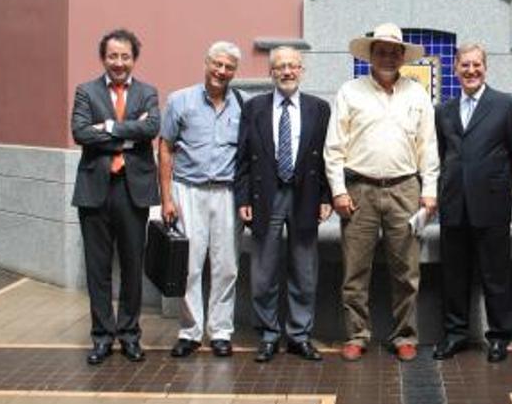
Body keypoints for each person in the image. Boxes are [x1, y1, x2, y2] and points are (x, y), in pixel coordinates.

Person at [324, 22, 439, 362]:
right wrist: (338, 191)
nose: (387, 56)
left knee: (406, 271)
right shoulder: (350, 91)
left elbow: (428, 146)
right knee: (355, 270)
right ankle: (357, 335)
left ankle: (405, 335)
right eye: (381, 51)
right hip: (359, 188)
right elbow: (334, 147)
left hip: (405, 188)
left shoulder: (417, 93)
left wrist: (429, 191)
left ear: (402, 57)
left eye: (394, 51)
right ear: (370, 55)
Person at [235, 46, 332, 362]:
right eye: (280, 67)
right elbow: (243, 157)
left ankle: (299, 335)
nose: (287, 72)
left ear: (301, 70)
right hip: (267, 195)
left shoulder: (319, 109)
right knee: (263, 271)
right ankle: (268, 335)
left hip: (305, 195)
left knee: (304, 271)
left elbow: (329, 157)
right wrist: (244, 197)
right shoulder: (254, 108)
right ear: (271, 72)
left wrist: (326, 197)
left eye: (292, 66)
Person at [433, 43, 512, 363]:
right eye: (465, 66)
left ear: (485, 67)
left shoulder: (506, 105)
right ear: (455, 69)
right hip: (454, 205)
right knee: (454, 276)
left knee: (496, 276)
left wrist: (495, 184)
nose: (471, 71)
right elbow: (441, 153)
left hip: (492, 204)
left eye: (477, 65)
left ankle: (500, 336)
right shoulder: (443, 110)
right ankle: (455, 334)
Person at [71, 28, 160, 365]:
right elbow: (80, 132)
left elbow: (151, 128)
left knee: (133, 266)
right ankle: (102, 337)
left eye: (125, 56)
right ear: (103, 58)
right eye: (113, 56)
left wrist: (105, 128)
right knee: (98, 270)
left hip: (133, 190)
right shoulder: (86, 91)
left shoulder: (148, 92)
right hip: (95, 190)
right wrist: (126, 134)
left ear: (133, 59)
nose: (119, 63)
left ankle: (130, 336)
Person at [159, 41, 244, 358]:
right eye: (217, 64)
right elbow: (165, 147)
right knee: (190, 266)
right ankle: (190, 332)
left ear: (235, 72)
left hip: (226, 193)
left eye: (229, 67)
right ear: (206, 64)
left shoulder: (242, 105)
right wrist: (166, 198)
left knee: (227, 266)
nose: (221, 72)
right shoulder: (180, 101)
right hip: (188, 190)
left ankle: (221, 332)